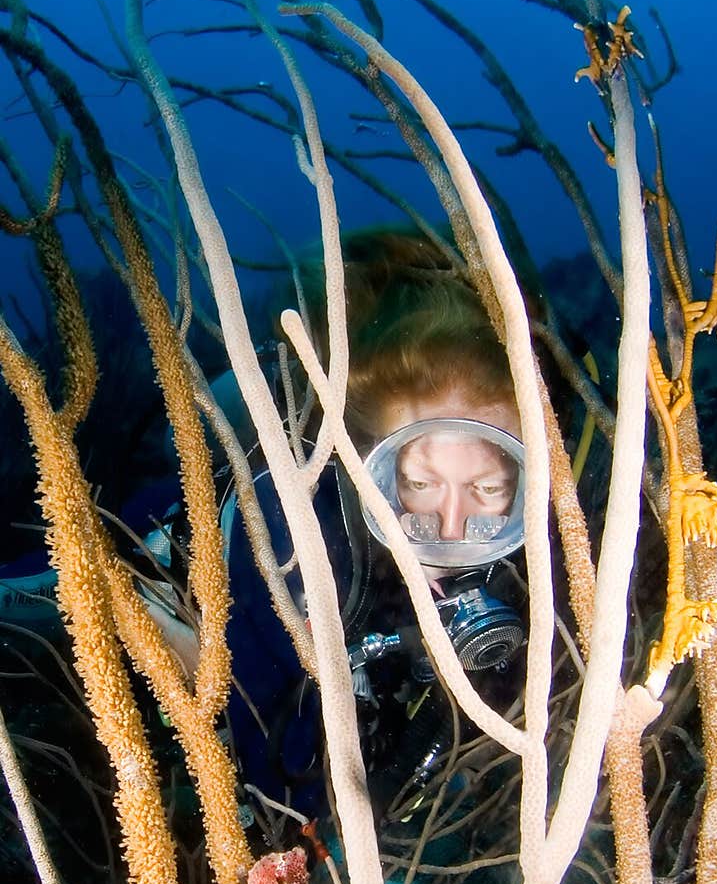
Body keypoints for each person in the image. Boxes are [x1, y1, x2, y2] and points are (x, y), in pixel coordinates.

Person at [224, 228, 534, 819]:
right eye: (419, 484)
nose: (449, 528)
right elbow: (271, 765)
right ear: (368, 463)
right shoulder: (300, 544)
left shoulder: (563, 556)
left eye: (490, 488)